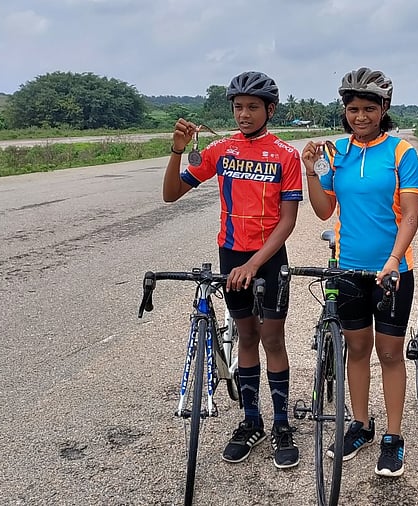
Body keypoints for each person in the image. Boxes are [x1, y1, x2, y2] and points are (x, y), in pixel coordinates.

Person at [162, 71, 303, 470]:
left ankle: (280, 424)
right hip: (230, 254)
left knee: (272, 338)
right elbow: (171, 195)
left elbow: (288, 222)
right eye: (238, 107)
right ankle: (251, 421)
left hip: (269, 257)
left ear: (269, 110)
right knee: (246, 336)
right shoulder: (222, 150)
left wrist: (254, 264)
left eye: (252, 107)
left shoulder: (286, 155)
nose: (243, 114)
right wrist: (176, 151)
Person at [300, 67, 418, 478]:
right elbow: (323, 209)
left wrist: (393, 259)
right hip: (348, 268)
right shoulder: (337, 152)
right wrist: (310, 169)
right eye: (353, 109)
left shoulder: (401, 152)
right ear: (345, 110)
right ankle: (361, 425)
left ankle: (393, 436)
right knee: (357, 350)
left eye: (369, 108)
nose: (361, 116)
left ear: (383, 108)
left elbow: (409, 216)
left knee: (389, 353)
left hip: (392, 271)